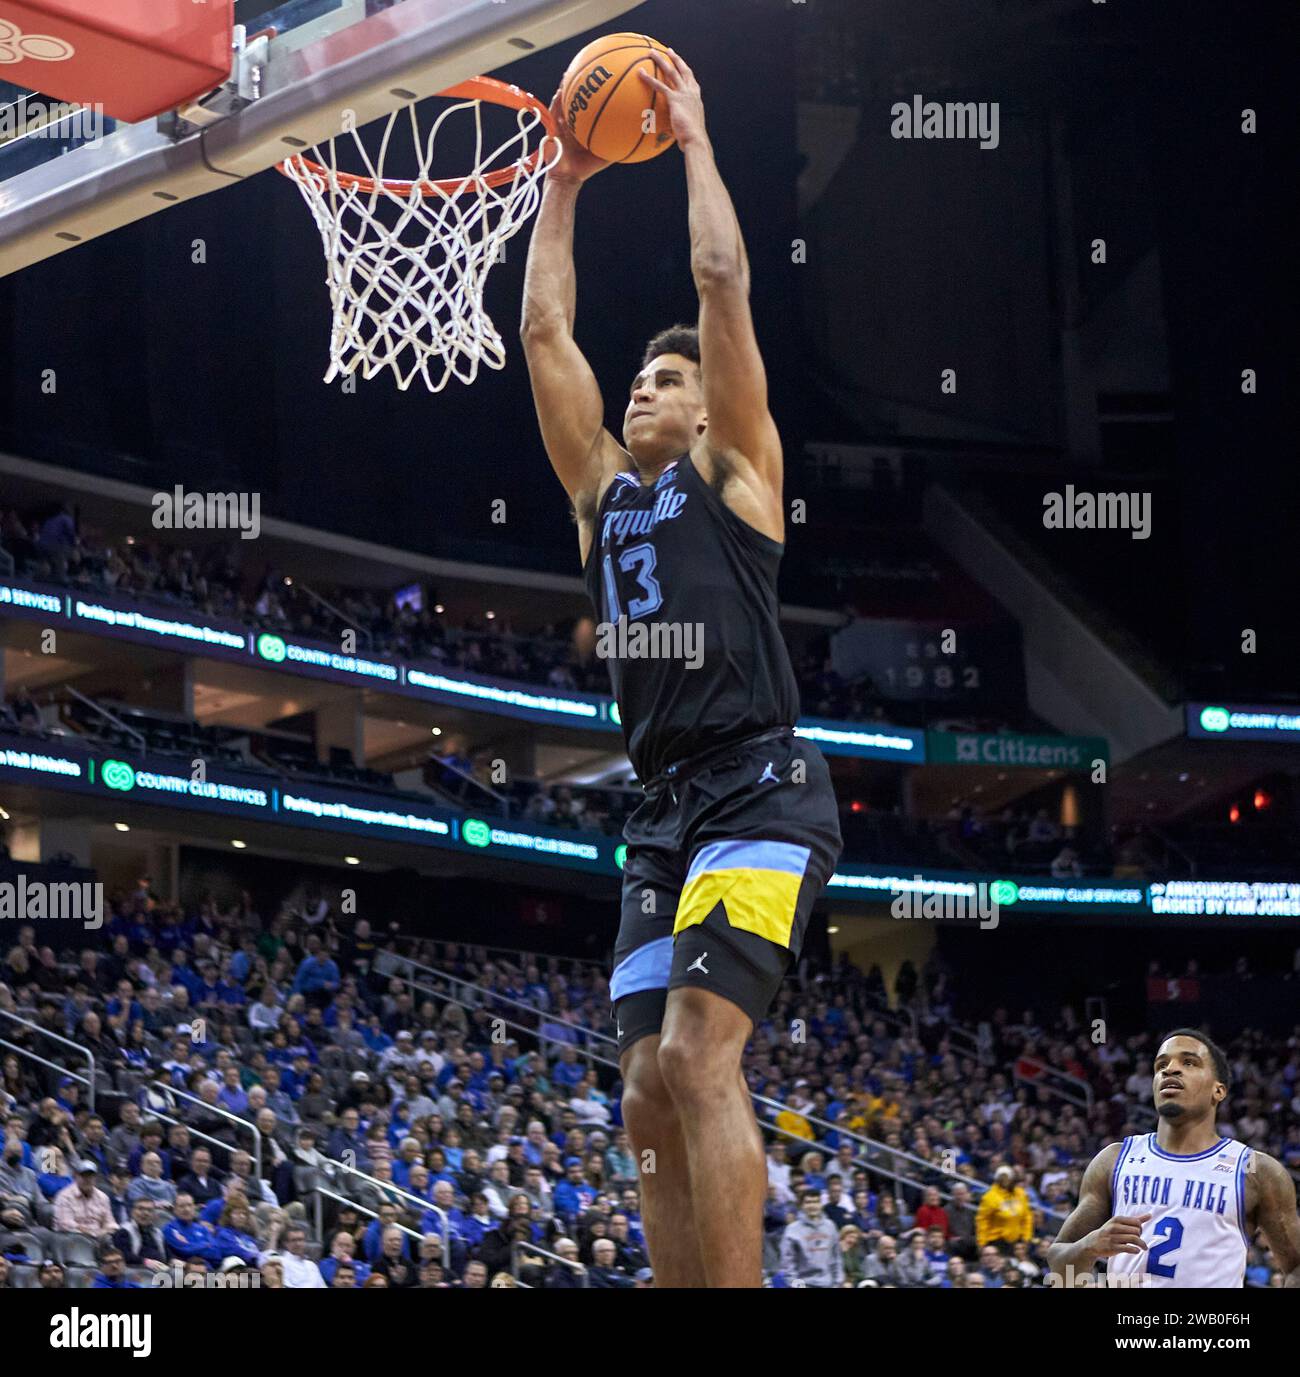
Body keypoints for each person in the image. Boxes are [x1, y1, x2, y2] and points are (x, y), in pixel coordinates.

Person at [519, 47, 841, 1292]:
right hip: (664, 814)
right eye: (638, 377)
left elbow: (719, 277)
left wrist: (696, 139)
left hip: (760, 787)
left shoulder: (734, 474)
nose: (644, 387)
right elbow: (546, 327)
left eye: (665, 378)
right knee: (646, 1082)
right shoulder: (602, 498)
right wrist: (565, 179)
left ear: (708, 411)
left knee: (703, 1055)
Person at [1048, 1029, 1300, 1288]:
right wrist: (1088, 1247)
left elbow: (1296, 1267)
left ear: (1219, 1091)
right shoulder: (1114, 1160)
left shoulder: (1255, 1171)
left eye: (1189, 1062)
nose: (1170, 1070)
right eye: (1161, 1065)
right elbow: (1057, 1264)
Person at [779, 1188, 843, 1288]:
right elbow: (788, 1267)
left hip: (828, 1284)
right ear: (802, 1206)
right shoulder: (792, 1230)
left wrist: (837, 1283)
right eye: (808, 1202)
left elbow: (836, 1258)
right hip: (803, 1284)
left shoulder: (830, 1226)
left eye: (816, 1202)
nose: (813, 1206)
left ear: (821, 1204)